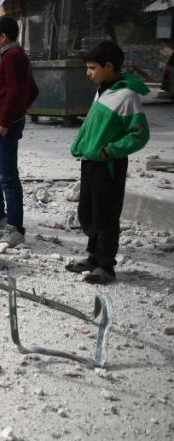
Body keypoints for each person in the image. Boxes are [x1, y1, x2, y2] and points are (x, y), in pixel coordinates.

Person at [66, 41, 150, 284]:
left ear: (109, 66)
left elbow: (139, 134)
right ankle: (93, 257)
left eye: (92, 67)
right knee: (90, 211)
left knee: (106, 214)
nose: (88, 72)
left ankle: (106, 265)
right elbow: (92, 125)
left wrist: (110, 150)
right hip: (91, 161)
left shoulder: (126, 96)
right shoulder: (103, 90)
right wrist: (81, 146)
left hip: (109, 164)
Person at [0, 16, 39, 247]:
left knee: (7, 176)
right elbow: (32, 90)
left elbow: (17, 92)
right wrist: (17, 113)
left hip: (3, 125)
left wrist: (8, 120)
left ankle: (15, 229)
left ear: (3, 37)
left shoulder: (13, 57)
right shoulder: (13, 55)